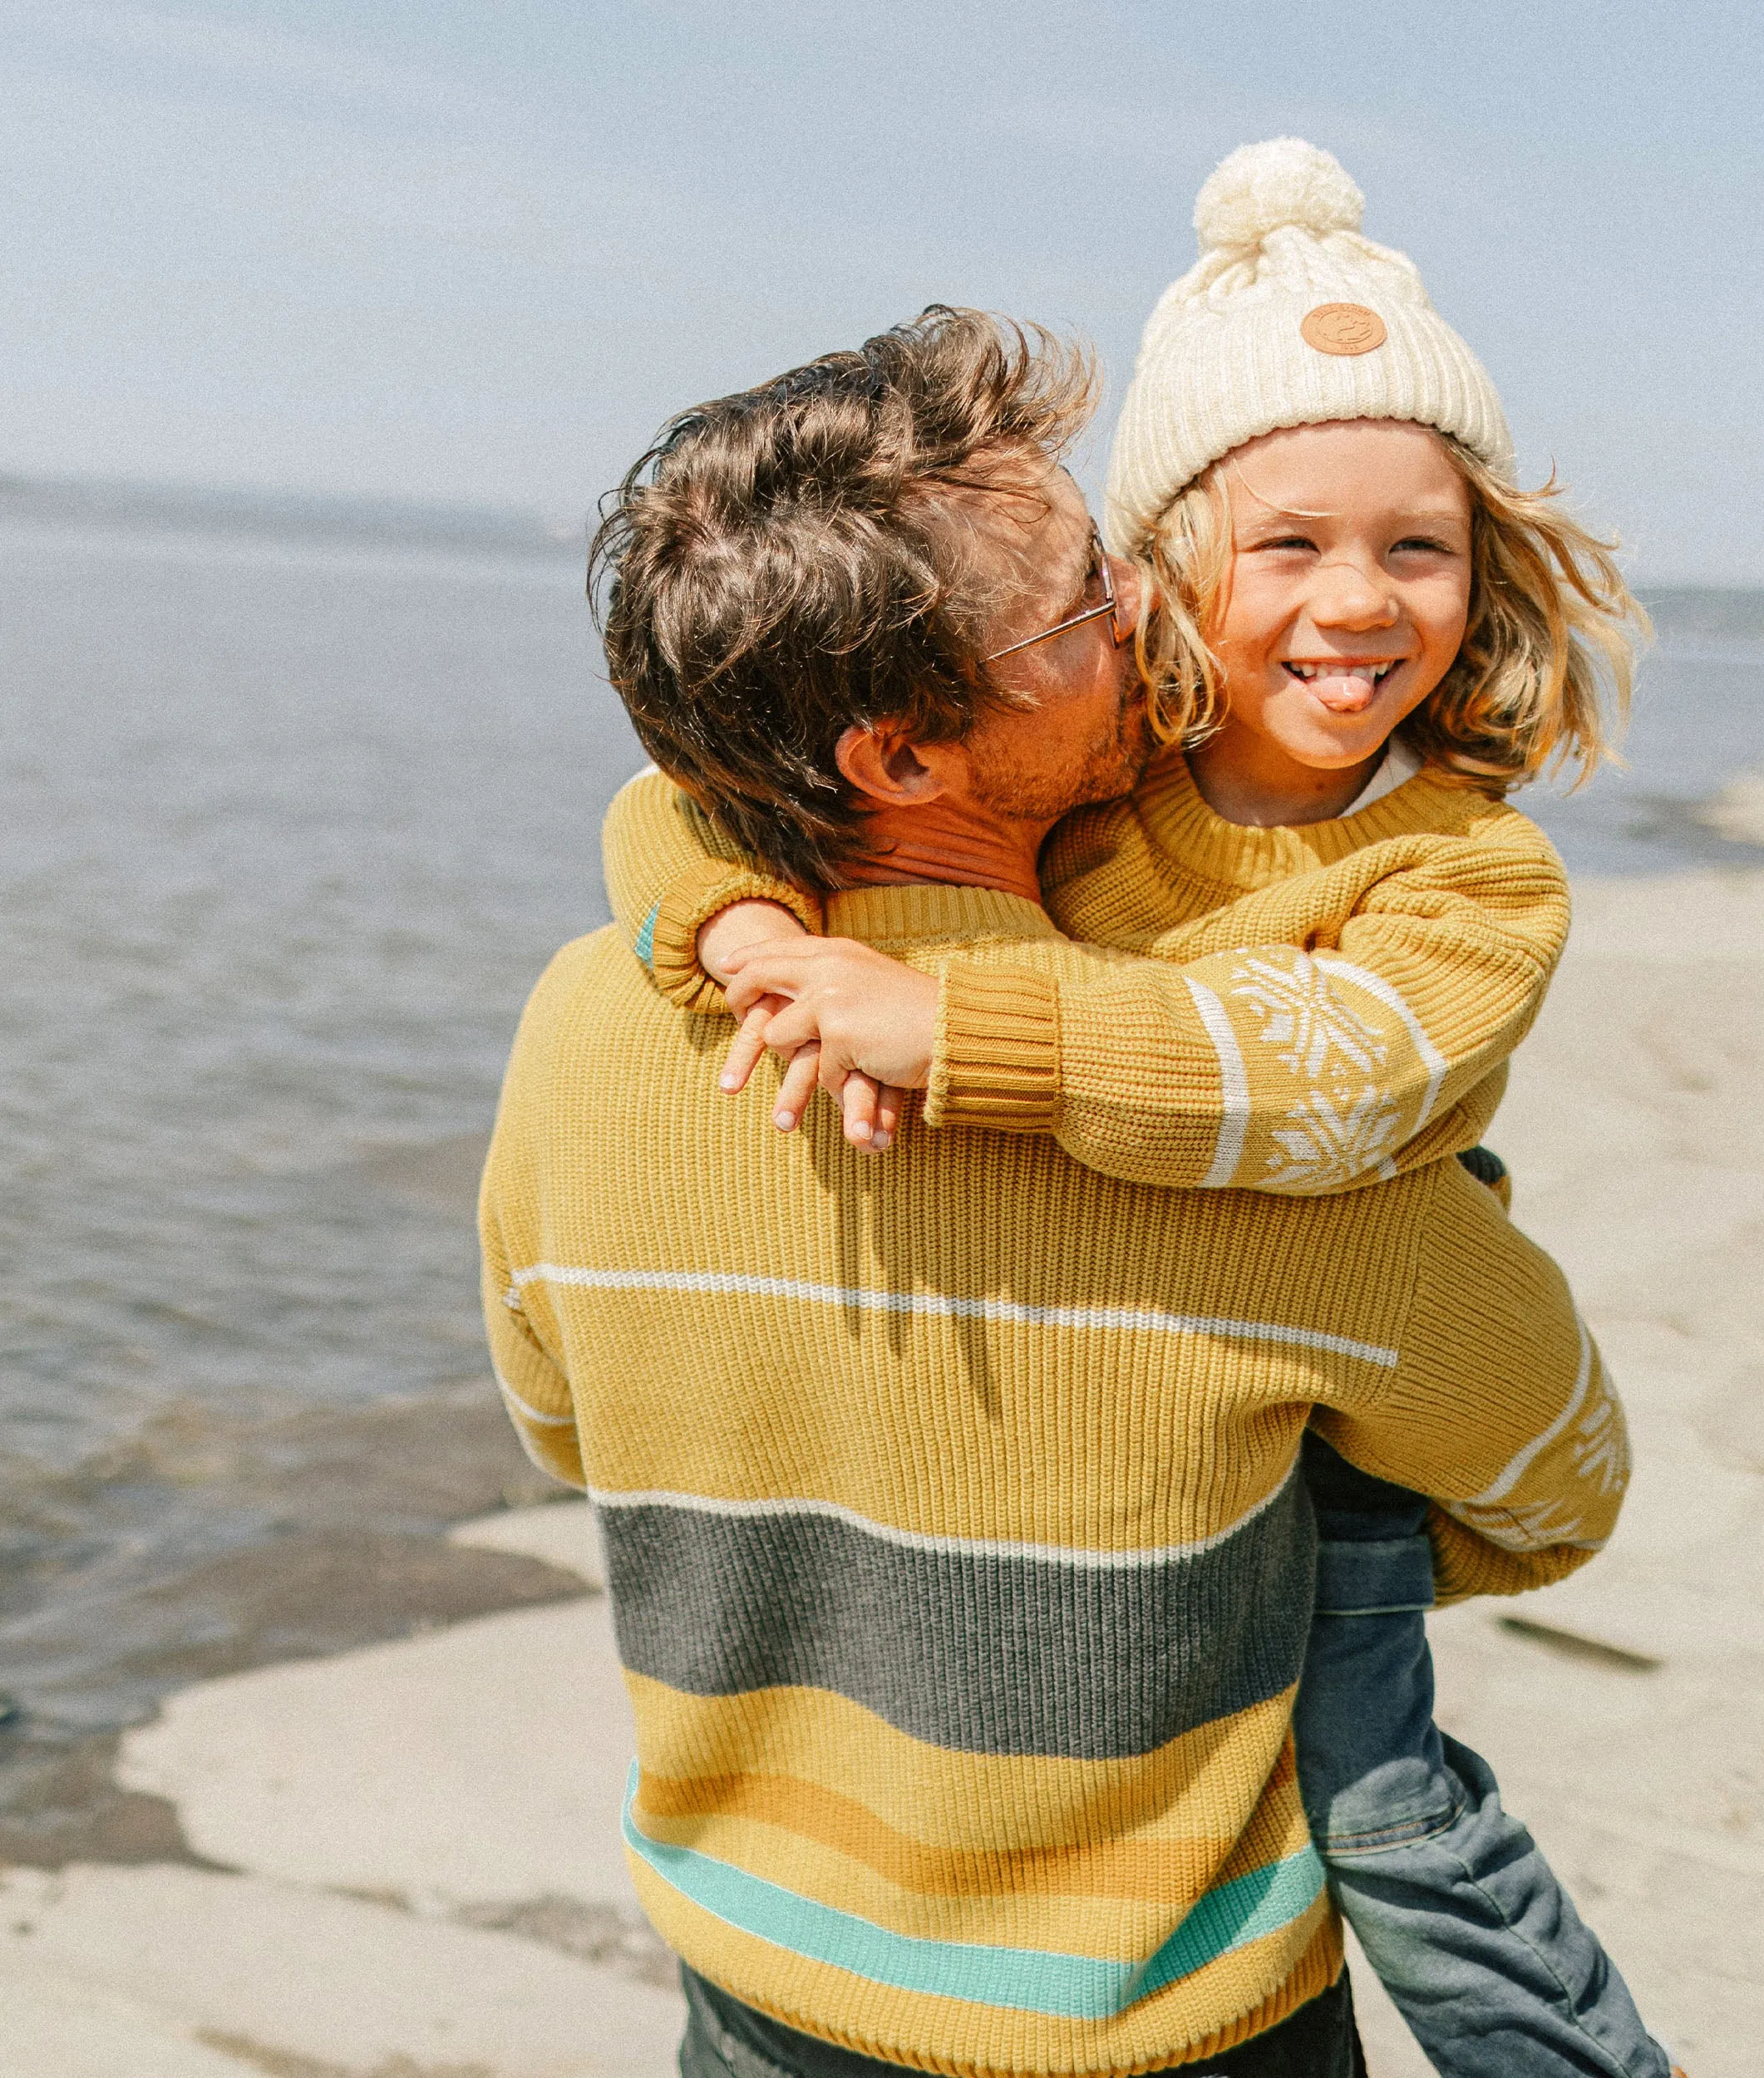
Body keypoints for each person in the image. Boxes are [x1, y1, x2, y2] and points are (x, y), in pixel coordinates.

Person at [593, 141, 1673, 2078]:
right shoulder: (1108, 768)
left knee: (1401, 1814)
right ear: (1155, 576)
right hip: (1285, 1338)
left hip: (1343, 1335)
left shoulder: (1464, 872)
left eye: (1418, 546)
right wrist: (741, 920)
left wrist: (955, 1028)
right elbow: (694, 780)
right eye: (1288, 544)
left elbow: (1324, 1082)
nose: (1359, 601)